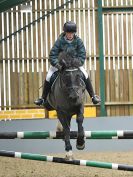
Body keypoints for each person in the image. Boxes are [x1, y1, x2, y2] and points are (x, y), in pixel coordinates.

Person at [34, 21, 100, 106]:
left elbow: (82, 55)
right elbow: (52, 55)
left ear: (74, 33)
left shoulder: (78, 41)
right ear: (65, 32)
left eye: (72, 33)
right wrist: (58, 65)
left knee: (85, 74)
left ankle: (93, 96)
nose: (70, 35)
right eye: (68, 33)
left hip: (74, 65)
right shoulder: (59, 41)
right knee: (49, 76)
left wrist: (76, 63)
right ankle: (43, 98)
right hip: (61, 65)